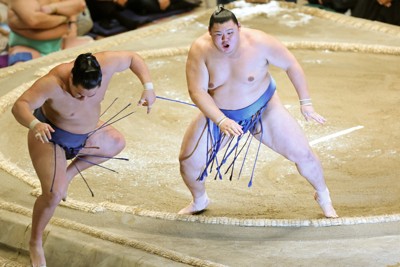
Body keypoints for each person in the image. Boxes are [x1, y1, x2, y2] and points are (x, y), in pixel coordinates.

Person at [178, 6, 338, 219]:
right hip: (221, 114)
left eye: (229, 33)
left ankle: (323, 196)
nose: (225, 40)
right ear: (210, 34)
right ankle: (200, 200)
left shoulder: (260, 42)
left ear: (239, 28)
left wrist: (306, 102)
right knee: (188, 161)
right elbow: (196, 91)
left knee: (303, 154)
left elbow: (291, 65)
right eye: (218, 35)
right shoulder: (200, 50)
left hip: (263, 108)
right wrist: (220, 119)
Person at [11, 51, 156, 267]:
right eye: (79, 94)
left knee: (116, 142)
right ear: (71, 78)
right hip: (51, 137)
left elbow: (133, 58)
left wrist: (148, 87)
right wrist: (34, 124)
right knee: (53, 194)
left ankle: (68, 174)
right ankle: (35, 242)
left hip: (85, 135)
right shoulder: (52, 82)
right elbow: (19, 106)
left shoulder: (106, 64)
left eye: (91, 96)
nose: (83, 99)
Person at [7, 0, 93, 66]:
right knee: (22, 66)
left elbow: (79, 5)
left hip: (60, 43)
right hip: (27, 47)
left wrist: (53, 9)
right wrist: (64, 17)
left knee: (93, 54)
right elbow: (35, 21)